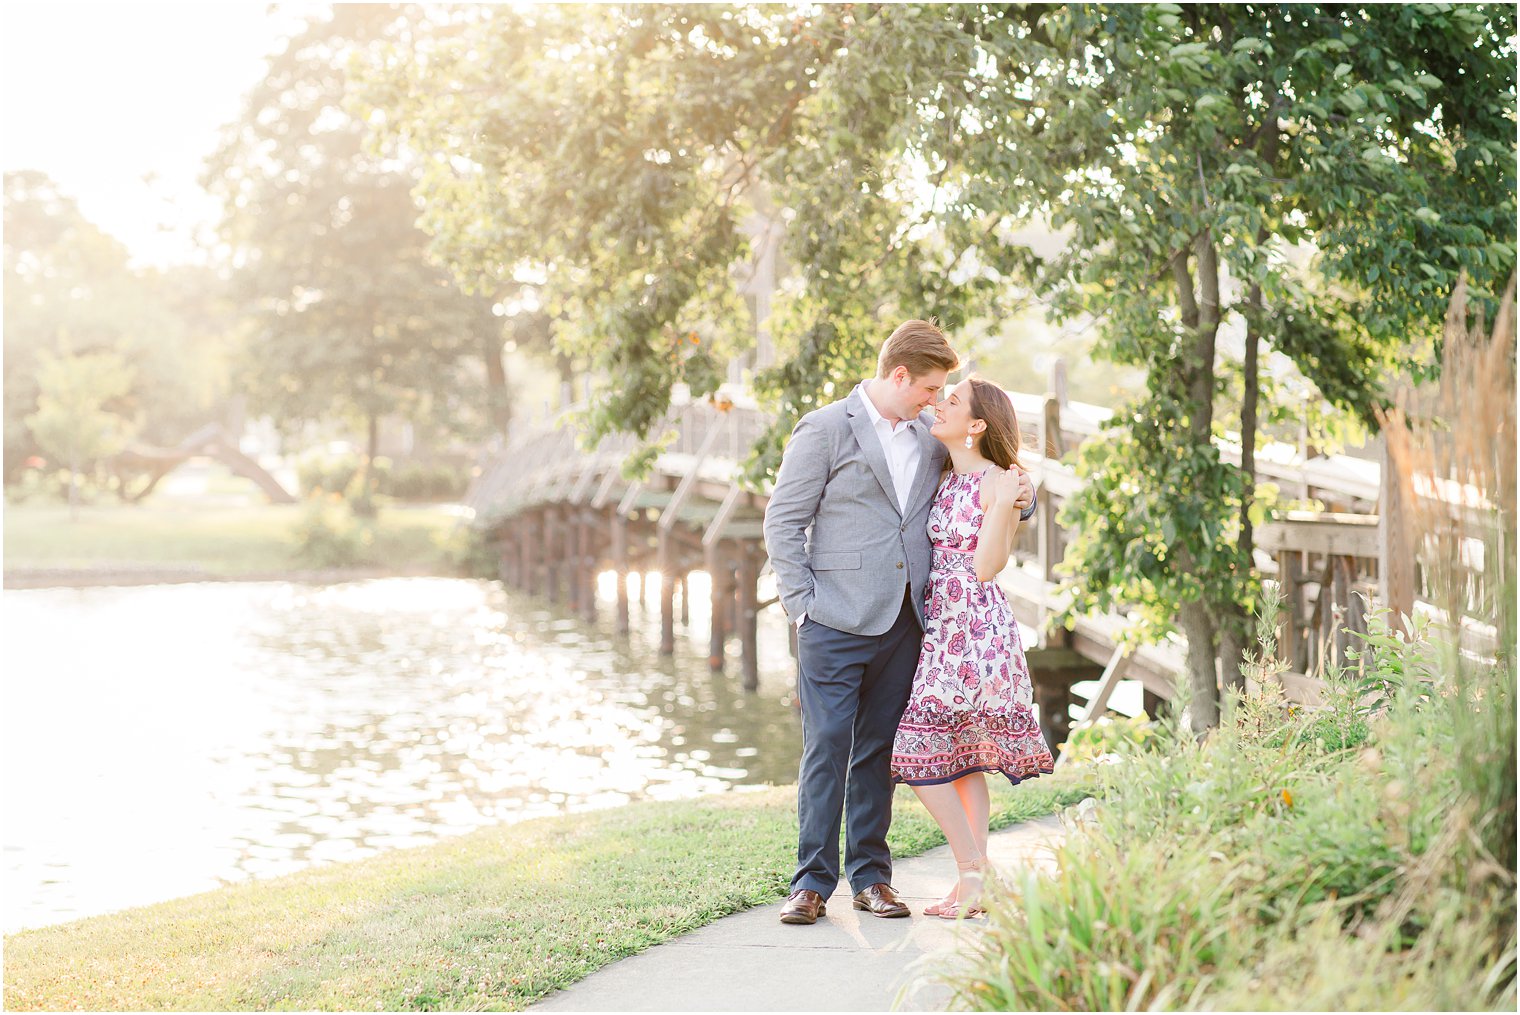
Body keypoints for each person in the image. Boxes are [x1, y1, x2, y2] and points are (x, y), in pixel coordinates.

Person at [762, 321, 1036, 926]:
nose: (937, 400)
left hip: (911, 622)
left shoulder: (931, 435)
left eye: (945, 393)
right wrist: (802, 606)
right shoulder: (827, 428)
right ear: (900, 375)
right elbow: (783, 521)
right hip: (832, 618)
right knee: (826, 746)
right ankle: (811, 883)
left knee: (880, 752)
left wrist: (1024, 496)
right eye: (931, 387)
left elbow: (987, 467)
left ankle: (871, 879)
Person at [890, 375, 1055, 919]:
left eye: (952, 401)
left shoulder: (996, 483)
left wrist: (1009, 502)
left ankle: (972, 870)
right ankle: (972, 884)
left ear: (976, 425)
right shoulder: (946, 473)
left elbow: (988, 565)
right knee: (962, 762)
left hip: (972, 633)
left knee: (914, 750)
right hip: (942, 628)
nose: (939, 405)